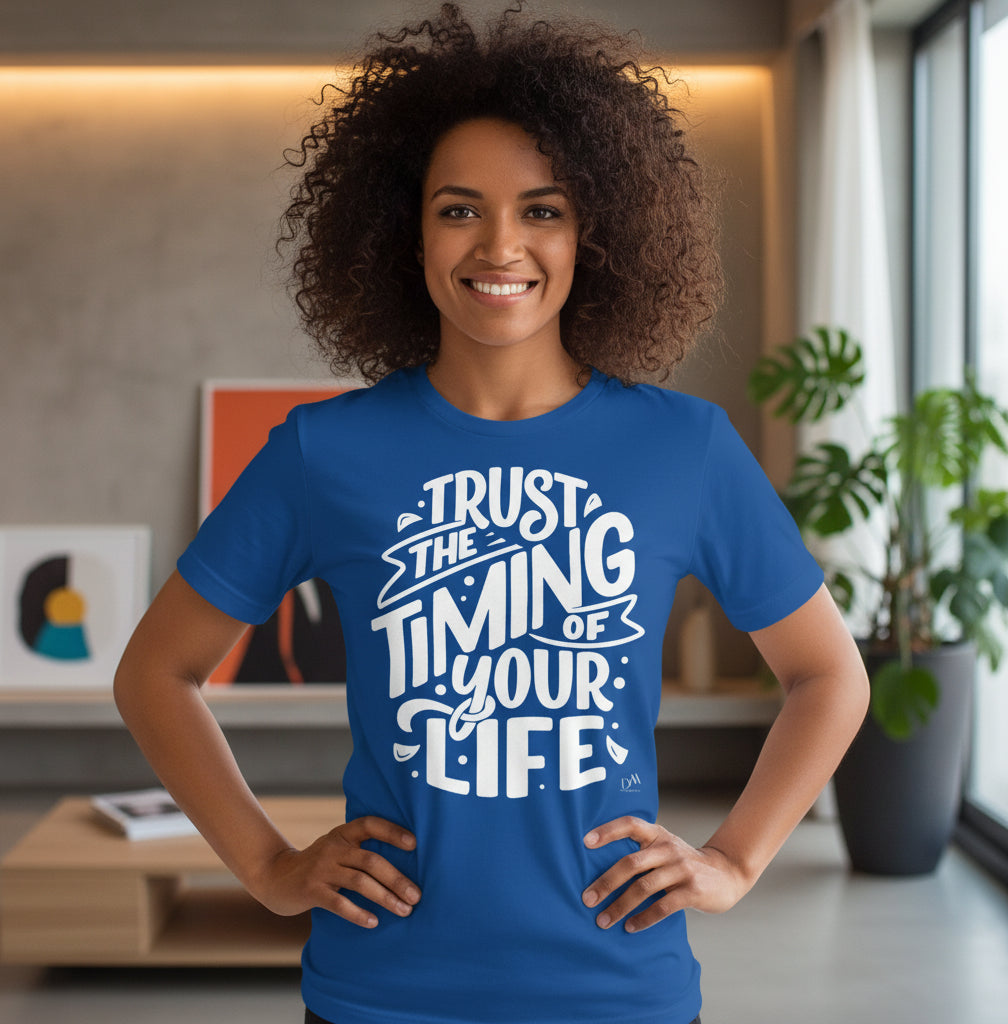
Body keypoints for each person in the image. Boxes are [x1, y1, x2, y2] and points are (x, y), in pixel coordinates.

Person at [114, 5, 870, 1023]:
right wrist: (266, 864)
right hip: (381, 991)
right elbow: (155, 673)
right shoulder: (322, 452)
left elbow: (828, 674)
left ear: (593, 229)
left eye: (543, 209)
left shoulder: (682, 449)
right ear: (407, 229)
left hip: (618, 989)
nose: (501, 244)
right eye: (459, 208)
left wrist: (734, 858)